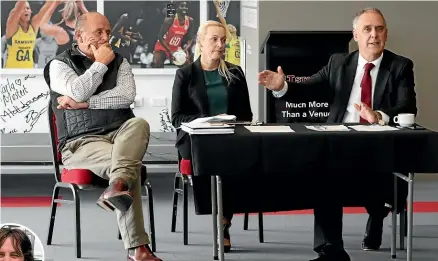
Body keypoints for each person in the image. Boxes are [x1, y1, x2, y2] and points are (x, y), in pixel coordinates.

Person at [258, 7, 415, 261]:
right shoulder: (339, 62)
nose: (373, 35)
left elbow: (407, 106)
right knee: (324, 176)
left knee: (378, 182)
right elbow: (310, 88)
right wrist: (283, 86)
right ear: (356, 35)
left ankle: (377, 215)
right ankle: (330, 250)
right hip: (340, 142)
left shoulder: (400, 66)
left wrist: (379, 116)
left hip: (379, 143)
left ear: (386, 34)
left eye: (379, 29)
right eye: (367, 29)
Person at [43, 12, 162, 261]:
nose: (105, 37)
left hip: (121, 133)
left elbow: (125, 97)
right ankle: (137, 248)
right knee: (128, 166)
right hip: (81, 142)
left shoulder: (121, 62)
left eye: (108, 32)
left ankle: (116, 188)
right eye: (99, 32)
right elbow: (78, 89)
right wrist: (100, 64)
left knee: (138, 123)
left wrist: (84, 105)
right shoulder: (58, 65)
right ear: (79, 35)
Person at [171, 20, 253, 252]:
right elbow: (176, 117)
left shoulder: (235, 73)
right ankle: (220, 219)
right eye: (214, 39)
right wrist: (202, 123)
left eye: (223, 40)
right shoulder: (185, 74)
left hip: (229, 136)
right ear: (200, 42)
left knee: (236, 154)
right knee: (213, 156)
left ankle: (223, 221)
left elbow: (246, 114)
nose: (220, 45)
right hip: (196, 140)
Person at [4, 0, 53, 68]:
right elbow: (18, 7)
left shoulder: (33, 27)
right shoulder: (12, 27)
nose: (26, 10)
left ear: (31, 12)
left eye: (28, 8)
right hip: (12, 72)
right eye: (23, 8)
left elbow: (46, 8)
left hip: (29, 71)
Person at [152, 1, 195, 68]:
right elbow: (160, 37)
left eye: (186, 6)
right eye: (182, 6)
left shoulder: (190, 20)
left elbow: (191, 38)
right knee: (157, 62)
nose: (185, 8)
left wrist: (186, 49)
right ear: (177, 8)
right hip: (162, 46)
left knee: (187, 66)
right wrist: (170, 51)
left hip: (176, 48)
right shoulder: (169, 19)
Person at [212, 0, 240, 66]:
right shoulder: (229, 40)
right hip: (232, 66)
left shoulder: (240, 39)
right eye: (228, 26)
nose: (230, 26)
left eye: (230, 25)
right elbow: (223, 21)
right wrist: (217, 7)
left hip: (241, 65)